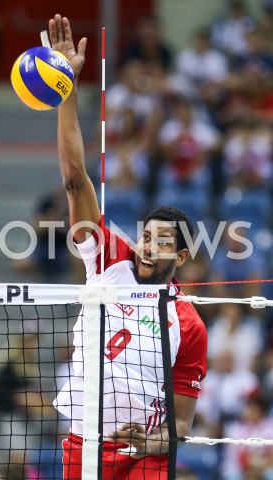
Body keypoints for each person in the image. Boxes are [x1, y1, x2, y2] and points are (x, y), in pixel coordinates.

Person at [47, 14, 207, 480]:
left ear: (179, 257)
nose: (145, 246)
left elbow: (181, 424)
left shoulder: (189, 324)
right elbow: (75, 181)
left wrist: (150, 442)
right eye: (144, 235)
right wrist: (66, 87)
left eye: (161, 242)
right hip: (85, 441)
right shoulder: (108, 258)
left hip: (146, 455)